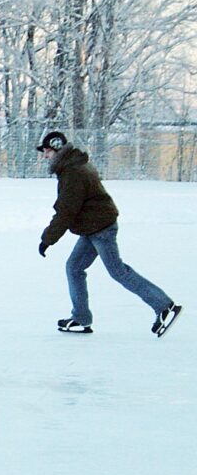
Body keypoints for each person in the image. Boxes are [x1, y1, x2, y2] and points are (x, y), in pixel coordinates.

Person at [36, 131, 182, 336]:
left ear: (57, 149)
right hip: (93, 227)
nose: (45, 156)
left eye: (47, 151)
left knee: (118, 271)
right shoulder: (73, 165)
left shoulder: (73, 173)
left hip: (100, 228)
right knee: (74, 267)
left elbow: (66, 211)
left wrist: (47, 239)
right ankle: (81, 317)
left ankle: (164, 306)